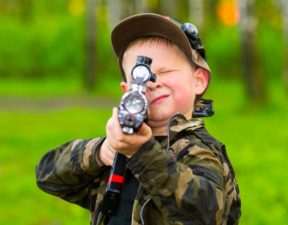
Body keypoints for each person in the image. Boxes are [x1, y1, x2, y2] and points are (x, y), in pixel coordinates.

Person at [36, 13, 241, 225]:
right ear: (126, 91)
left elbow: (206, 213)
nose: (152, 83)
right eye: (139, 77)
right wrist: (101, 152)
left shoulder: (200, 151)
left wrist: (143, 154)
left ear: (198, 80)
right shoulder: (118, 151)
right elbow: (47, 176)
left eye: (166, 71)